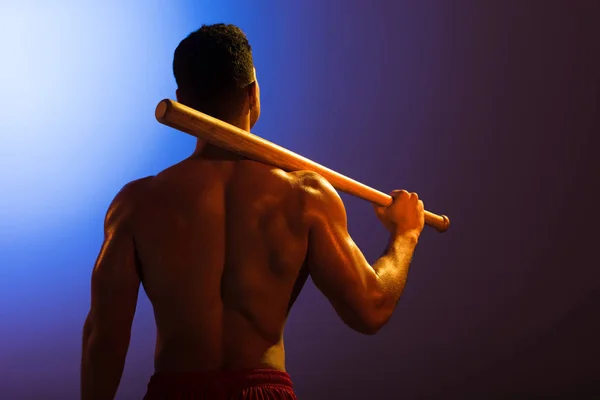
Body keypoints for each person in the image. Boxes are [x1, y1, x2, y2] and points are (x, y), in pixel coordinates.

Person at [80, 23, 425, 400]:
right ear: (253, 92)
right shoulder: (305, 196)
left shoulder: (137, 203)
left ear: (182, 99)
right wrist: (405, 234)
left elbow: (104, 338)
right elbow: (371, 309)